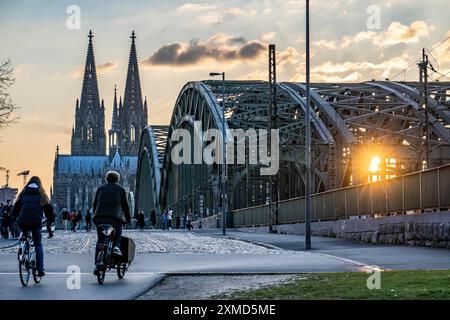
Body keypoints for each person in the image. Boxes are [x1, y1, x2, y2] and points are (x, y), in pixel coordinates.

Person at [12, 176, 53, 277]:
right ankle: (40, 269)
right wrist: (50, 220)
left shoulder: (23, 193)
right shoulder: (41, 193)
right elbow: (48, 209)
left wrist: (15, 218)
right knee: (38, 244)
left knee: (24, 235)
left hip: (23, 221)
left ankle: (22, 247)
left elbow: (16, 207)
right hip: (35, 222)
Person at [92, 171, 131, 275]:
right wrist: (128, 219)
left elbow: (94, 204)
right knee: (118, 229)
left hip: (99, 218)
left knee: (100, 240)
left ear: (106, 179)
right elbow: (125, 207)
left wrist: (96, 216)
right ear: (117, 180)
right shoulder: (121, 190)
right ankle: (116, 247)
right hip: (114, 218)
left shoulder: (100, 189)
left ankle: (97, 264)